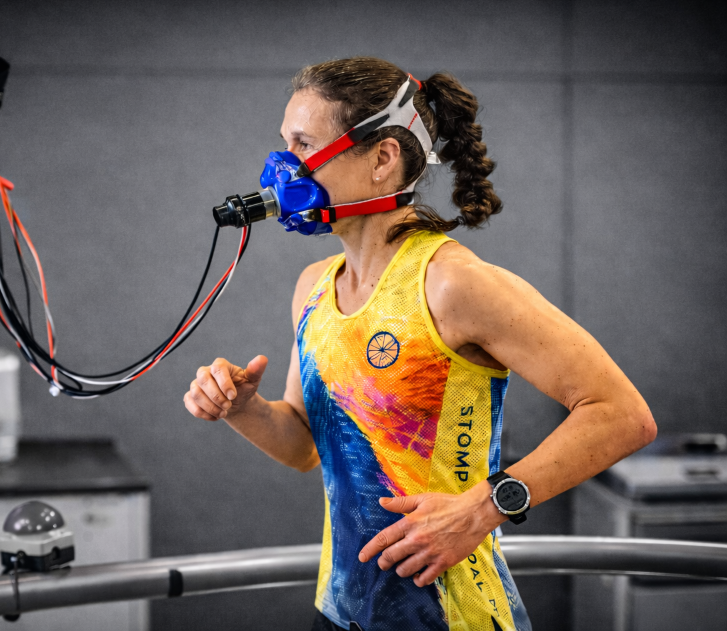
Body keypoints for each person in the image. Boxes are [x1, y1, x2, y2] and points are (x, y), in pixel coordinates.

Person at [183, 57, 655, 631]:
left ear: (382, 158)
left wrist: (485, 507)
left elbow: (623, 415)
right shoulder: (313, 287)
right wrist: (244, 409)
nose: (283, 167)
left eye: (304, 144)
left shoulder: (452, 282)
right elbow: (304, 447)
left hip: (452, 614)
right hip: (341, 611)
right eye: (284, 142)